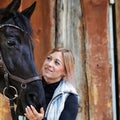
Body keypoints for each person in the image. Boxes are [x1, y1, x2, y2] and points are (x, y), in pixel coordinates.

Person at [24, 47, 79, 120]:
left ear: (65, 72)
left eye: (57, 63)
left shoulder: (69, 97)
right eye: (49, 58)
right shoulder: (29, 88)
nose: (49, 64)